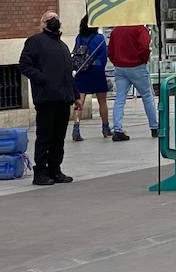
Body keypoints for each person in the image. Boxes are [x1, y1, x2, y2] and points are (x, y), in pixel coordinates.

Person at [18, 10, 77, 186]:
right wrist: (42, 78)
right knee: (45, 135)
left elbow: (69, 73)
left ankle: (55, 169)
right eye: (49, 19)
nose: (54, 21)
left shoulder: (63, 46)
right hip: (46, 98)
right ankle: (41, 171)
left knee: (59, 137)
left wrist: (75, 95)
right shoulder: (35, 42)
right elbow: (24, 65)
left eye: (56, 18)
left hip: (63, 98)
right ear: (42, 24)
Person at [108, 23, 158, 140]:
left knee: (120, 98)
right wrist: (143, 60)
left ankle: (117, 129)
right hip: (137, 66)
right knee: (147, 96)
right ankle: (154, 127)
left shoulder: (116, 30)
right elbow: (145, 47)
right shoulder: (140, 29)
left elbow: (110, 50)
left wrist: (116, 61)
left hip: (120, 67)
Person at [71, 15, 110, 142]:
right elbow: (104, 57)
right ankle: (105, 128)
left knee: (79, 101)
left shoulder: (79, 37)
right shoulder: (99, 38)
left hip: (82, 71)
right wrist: (99, 66)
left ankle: (76, 128)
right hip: (97, 71)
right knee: (102, 101)